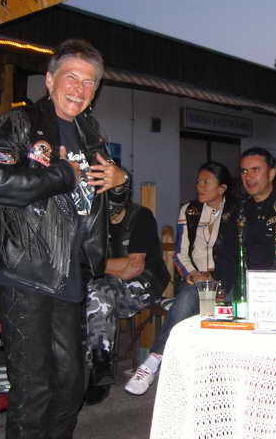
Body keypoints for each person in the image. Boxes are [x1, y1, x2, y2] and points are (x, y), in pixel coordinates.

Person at [0, 39, 127, 438]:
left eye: (89, 82)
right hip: (24, 270)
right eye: (71, 77)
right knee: (33, 389)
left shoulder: (91, 134)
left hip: (69, 272)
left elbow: (107, 208)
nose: (79, 89)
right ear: (50, 80)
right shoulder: (19, 123)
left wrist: (120, 183)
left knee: (71, 385)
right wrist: (63, 174)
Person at [124, 161, 236, 396]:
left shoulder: (237, 211)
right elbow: (180, 253)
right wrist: (193, 274)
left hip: (228, 280)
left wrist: (216, 278)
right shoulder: (189, 210)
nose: (199, 186)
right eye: (198, 181)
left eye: (206, 182)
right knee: (189, 294)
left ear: (222, 188)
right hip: (196, 281)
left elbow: (237, 254)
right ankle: (154, 361)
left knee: (190, 297)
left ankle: (156, 361)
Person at [84, 173, 169, 405]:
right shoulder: (94, 220)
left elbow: (133, 268)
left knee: (98, 294)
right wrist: (105, 268)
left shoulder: (141, 216)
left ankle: (99, 368)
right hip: (106, 283)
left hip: (144, 284)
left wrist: (95, 267)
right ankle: (78, 366)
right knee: (83, 292)